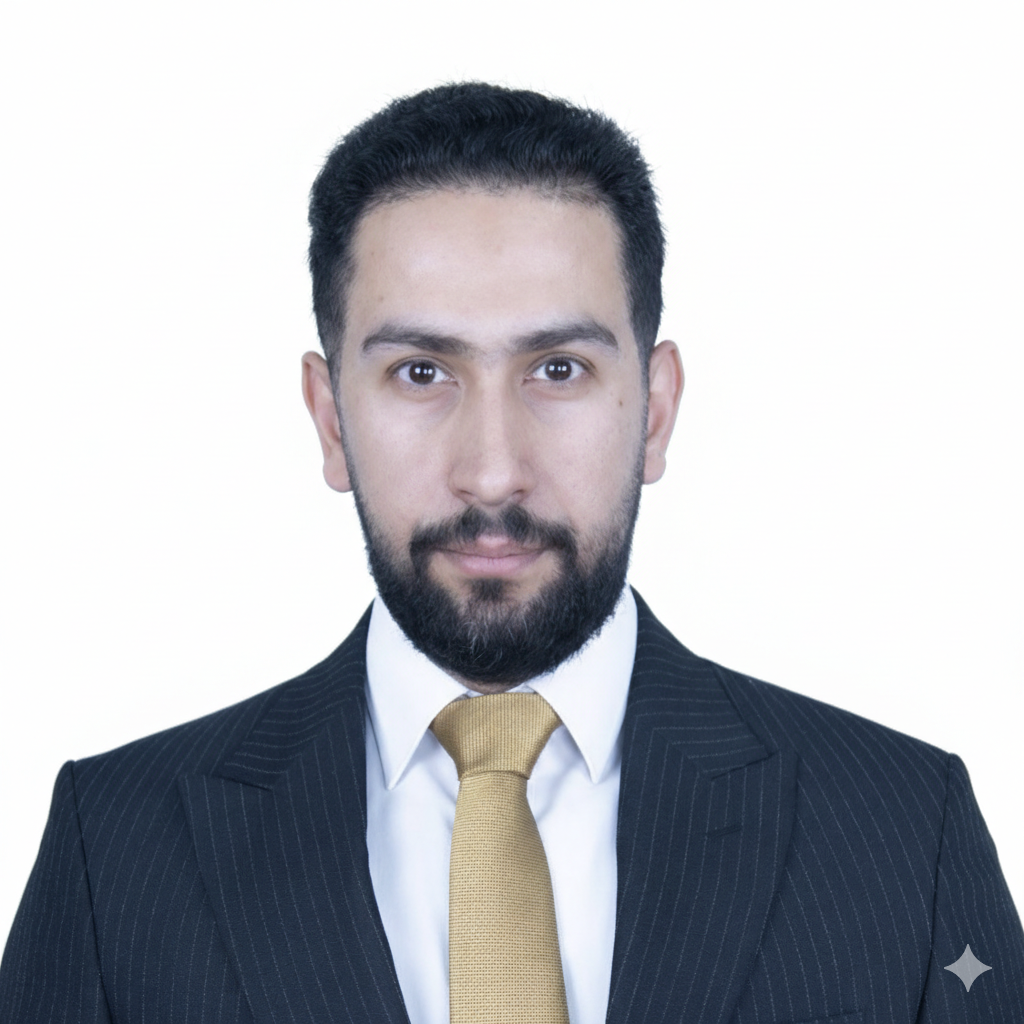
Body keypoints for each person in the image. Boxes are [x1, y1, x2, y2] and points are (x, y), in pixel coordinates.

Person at [1, 81, 1021, 1024]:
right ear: (330, 419)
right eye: (420, 372)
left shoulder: (903, 833)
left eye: (558, 369)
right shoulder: (115, 853)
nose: (492, 474)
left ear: (655, 410)